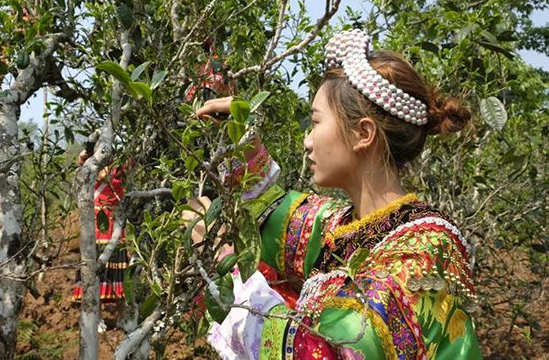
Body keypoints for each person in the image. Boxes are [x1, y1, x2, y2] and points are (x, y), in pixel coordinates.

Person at [189, 29, 482, 359]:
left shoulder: (423, 251)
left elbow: (334, 353)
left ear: (363, 133)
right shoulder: (342, 224)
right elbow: (271, 211)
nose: (307, 141)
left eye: (315, 122)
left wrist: (224, 264)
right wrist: (242, 138)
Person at [72, 151, 128, 332]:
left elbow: (134, 161)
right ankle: (96, 318)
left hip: (115, 226)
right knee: (94, 271)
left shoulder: (120, 167)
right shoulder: (90, 167)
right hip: (95, 226)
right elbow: (81, 157)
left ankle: (121, 317)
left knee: (119, 272)